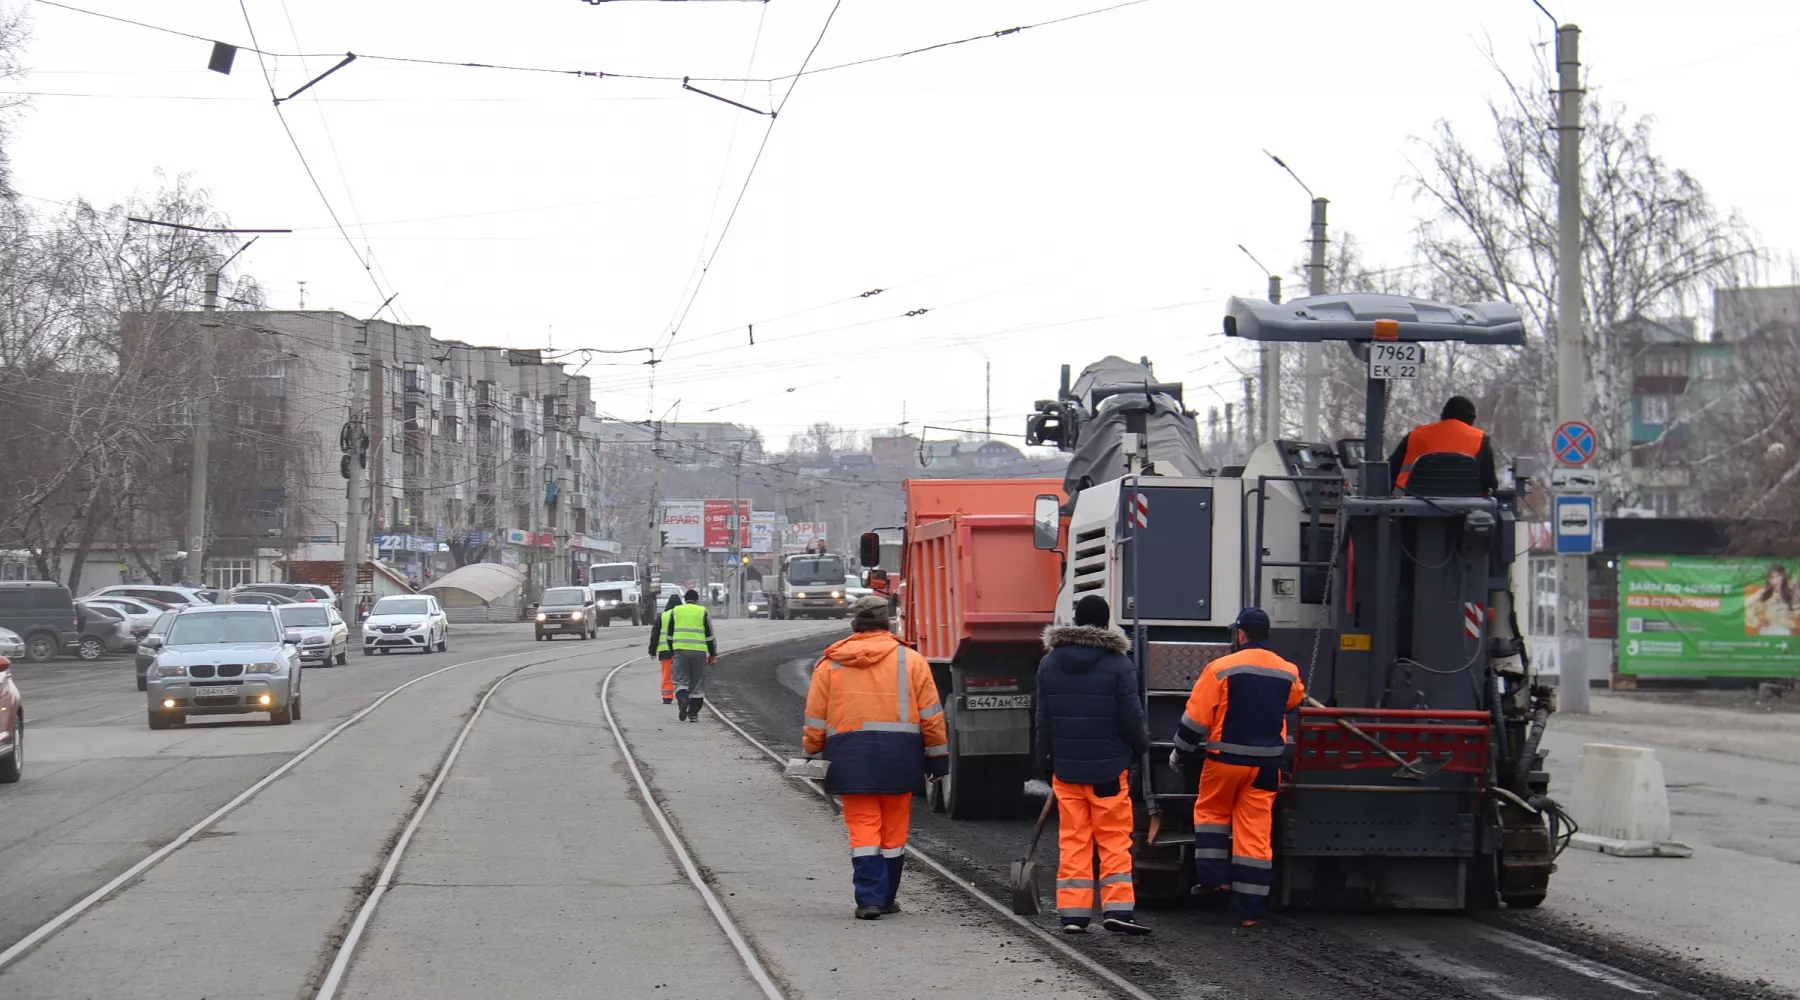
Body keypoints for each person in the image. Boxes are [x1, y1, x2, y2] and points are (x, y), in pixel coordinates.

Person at [802, 595, 948, 920]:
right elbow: (932, 716)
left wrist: (811, 754)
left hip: (849, 756)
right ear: (887, 624)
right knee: (894, 831)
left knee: (863, 827)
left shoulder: (830, 663)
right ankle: (886, 897)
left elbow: (815, 716)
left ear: (854, 625)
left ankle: (868, 898)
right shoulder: (911, 661)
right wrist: (938, 759)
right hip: (901, 756)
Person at [1169, 607, 1303, 926]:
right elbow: (1294, 701)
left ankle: (1214, 881)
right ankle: (1250, 910)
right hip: (1267, 766)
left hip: (1225, 761)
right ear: (1266, 634)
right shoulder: (1288, 670)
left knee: (1212, 814)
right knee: (1255, 833)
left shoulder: (1221, 668)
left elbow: (1197, 717)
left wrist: (1180, 752)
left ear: (1241, 634)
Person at [1035, 595, 1153, 936]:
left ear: (1074, 620)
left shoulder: (1050, 663)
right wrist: (1140, 747)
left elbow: (1043, 720)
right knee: (1114, 839)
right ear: (1105, 623)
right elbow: (1131, 716)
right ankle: (1118, 910)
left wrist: (1045, 760)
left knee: (1073, 840)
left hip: (1067, 770)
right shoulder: (1119, 664)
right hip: (1108, 770)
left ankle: (1073, 913)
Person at [1388, 395, 1498, 493]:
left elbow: (1388, 471)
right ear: (1471, 418)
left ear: (1443, 415)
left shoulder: (1416, 435)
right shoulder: (1480, 438)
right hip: (1465, 507)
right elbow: (1489, 482)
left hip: (1414, 505)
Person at [665, 589, 716, 722]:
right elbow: (710, 636)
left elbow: (669, 635)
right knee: (697, 683)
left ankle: (682, 700)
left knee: (681, 680)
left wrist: (672, 651)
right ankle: (693, 714)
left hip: (680, 651)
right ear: (697, 599)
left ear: (684, 599)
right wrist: (712, 654)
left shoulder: (676, 611)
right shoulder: (702, 611)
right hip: (699, 652)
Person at [647, 592, 683, 704]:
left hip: (665, 652)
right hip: (680, 651)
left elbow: (655, 635)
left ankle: (667, 696)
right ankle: (683, 694)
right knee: (682, 674)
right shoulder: (682, 615)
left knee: (667, 674)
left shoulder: (662, 616)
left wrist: (652, 651)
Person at [1746, 563, 1797, 635]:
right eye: (1772, 577)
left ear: (1783, 577)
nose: (1775, 581)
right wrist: (1756, 622)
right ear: (1768, 579)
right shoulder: (1764, 593)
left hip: (1784, 632)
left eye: (1778, 576)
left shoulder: (1790, 592)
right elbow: (1746, 604)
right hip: (1767, 631)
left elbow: (1795, 612)